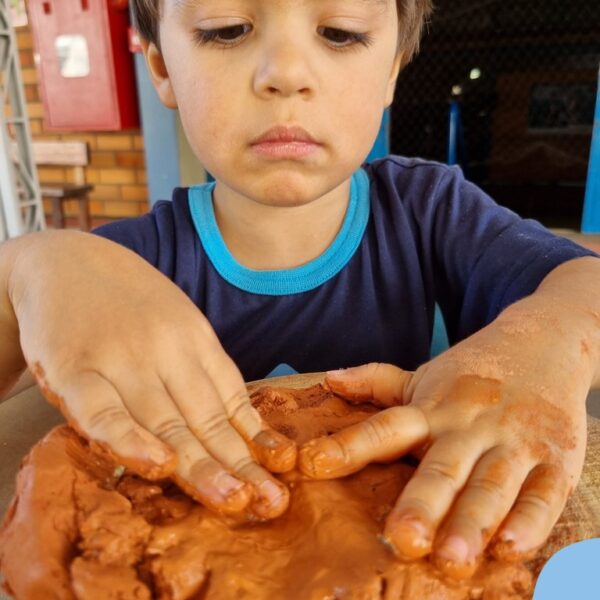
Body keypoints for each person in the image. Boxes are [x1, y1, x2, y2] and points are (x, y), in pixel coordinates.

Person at [0, 0, 598, 580]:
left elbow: (583, 282)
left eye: (340, 32)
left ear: (392, 68)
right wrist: (24, 271)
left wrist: (544, 344)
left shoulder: (432, 211)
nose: (285, 73)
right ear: (161, 66)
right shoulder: (120, 274)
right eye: (227, 29)